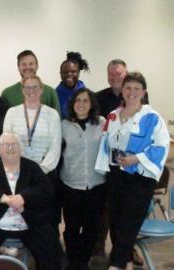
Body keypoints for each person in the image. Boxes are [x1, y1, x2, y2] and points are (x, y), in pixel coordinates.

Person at [95, 72, 170, 270]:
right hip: (115, 176)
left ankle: (116, 265)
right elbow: (105, 143)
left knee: (129, 224)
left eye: (137, 88)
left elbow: (161, 147)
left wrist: (134, 158)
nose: (132, 92)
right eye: (128, 88)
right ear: (123, 91)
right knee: (116, 223)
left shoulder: (153, 118)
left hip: (139, 178)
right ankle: (125, 262)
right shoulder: (112, 116)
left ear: (144, 92)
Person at [0, 132, 63, 270]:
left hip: (29, 223)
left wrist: (23, 198)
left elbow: (46, 189)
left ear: (21, 149)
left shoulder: (31, 167)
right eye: (6, 145)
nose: (10, 148)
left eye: (14, 145)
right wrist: (5, 198)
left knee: (51, 249)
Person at [3, 75, 62, 231]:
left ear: (41, 89)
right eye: (27, 87)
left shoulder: (52, 114)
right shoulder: (12, 112)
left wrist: (39, 172)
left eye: (35, 87)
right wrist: (18, 170)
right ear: (22, 90)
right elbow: (6, 144)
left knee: (45, 219)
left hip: (45, 173)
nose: (31, 91)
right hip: (18, 174)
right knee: (20, 216)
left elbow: (55, 147)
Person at [60, 88, 106, 270]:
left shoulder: (102, 123)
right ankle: (72, 261)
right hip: (70, 184)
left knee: (91, 228)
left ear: (91, 104)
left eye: (85, 100)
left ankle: (84, 261)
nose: (81, 104)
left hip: (96, 185)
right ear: (72, 103)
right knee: (71, 228)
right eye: (78, 100)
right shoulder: (64, 124)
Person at [56, 51, 90, 119]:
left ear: (78, 73)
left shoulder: (89, 95)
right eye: (65, 72)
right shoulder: (55, 95)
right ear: (60, 74)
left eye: (73, 72)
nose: (69, 74)